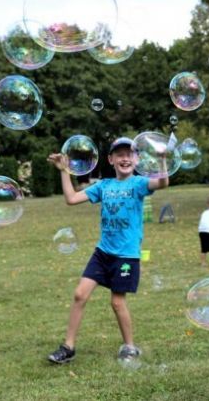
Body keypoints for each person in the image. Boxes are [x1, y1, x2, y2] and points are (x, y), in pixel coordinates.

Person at [45, 137, 169, 365]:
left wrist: (162, 160)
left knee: (117, 302)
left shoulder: (139, 184)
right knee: (80, 294)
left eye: (129, 154)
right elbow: (71, 199)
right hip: (103, 252)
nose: (125, 158)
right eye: (119, 155)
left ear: (136, 159)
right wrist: (64, 170)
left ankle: (130, 346)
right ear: (111, 159)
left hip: (126, 255)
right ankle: (68, 346)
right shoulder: (104, 186)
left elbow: (162, 183)